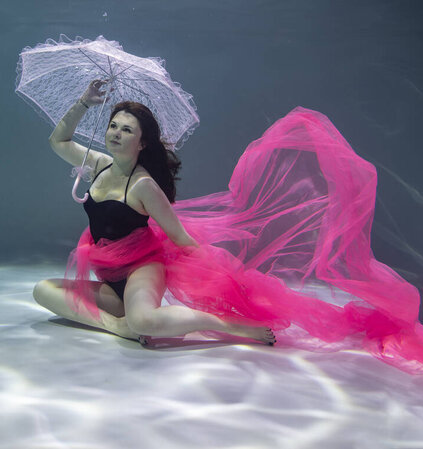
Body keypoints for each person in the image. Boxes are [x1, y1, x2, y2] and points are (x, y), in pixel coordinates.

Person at [32, 79, 277, 345]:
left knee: (143, 320)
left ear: (142, 143)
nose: (115, 133)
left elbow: (182, 239)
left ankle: (230, 325)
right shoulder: (99, 163)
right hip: (109, 273)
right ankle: (117, 325)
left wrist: (227, 276)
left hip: (142, 269)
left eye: (126, 130)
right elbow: (58, 141)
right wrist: (84, 103)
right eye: (113, 126)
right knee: (42, 290)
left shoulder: (143, 185)